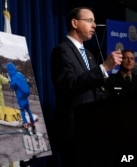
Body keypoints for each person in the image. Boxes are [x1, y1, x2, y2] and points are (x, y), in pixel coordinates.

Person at [50, 7, 123, 167]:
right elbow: (69, 84)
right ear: (75, 23)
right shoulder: (62, 51)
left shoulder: (88, 53)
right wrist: (103, 68)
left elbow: (95, 86)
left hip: (93, 128)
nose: (94, 25)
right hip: (74, 129)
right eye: (89, 21)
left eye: (94, 21)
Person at [6, 62, 35, 133]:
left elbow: (12, 86)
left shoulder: (14, 78)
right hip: (25, 96)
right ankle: (32, 123)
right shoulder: (20, 74)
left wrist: (9, 80)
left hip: (20, 97)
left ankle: (25, 125)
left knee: (22, 112)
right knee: (28, 110)